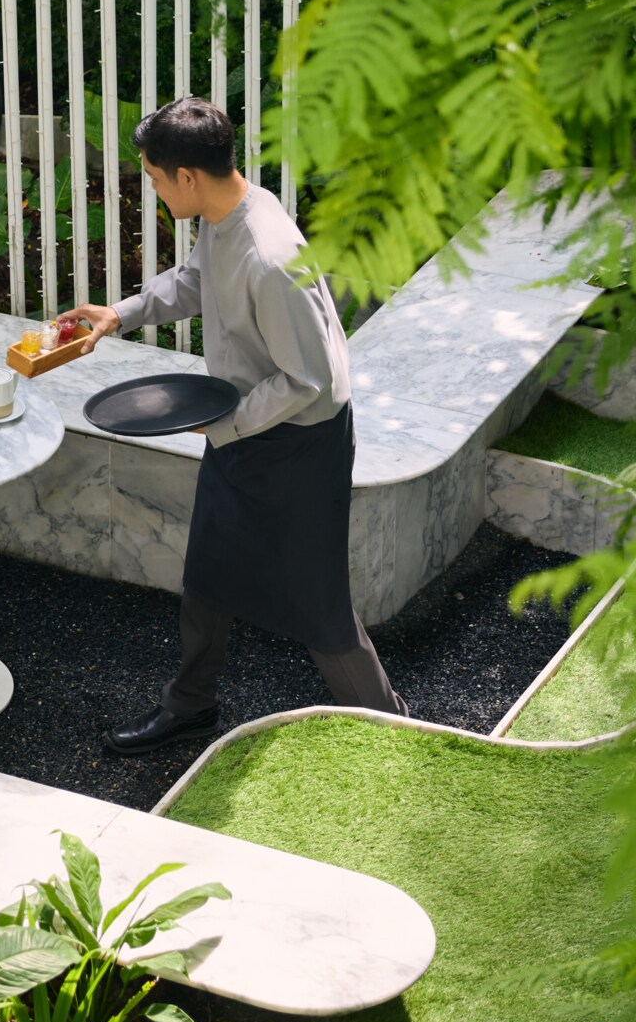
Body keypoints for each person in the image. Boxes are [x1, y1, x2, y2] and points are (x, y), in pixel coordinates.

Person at [61, 96, 407, 754]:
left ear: (188, 176)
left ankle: (398, 731)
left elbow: (311, 379)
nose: (154, 190)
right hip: (249, 427)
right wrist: (120, 313)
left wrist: (226, 422)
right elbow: (197, 280)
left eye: (155, 178)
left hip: (299, 445)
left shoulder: (269, 256)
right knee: (209, 572)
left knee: (320, 608)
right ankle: (191, 706)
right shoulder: (225, 215)